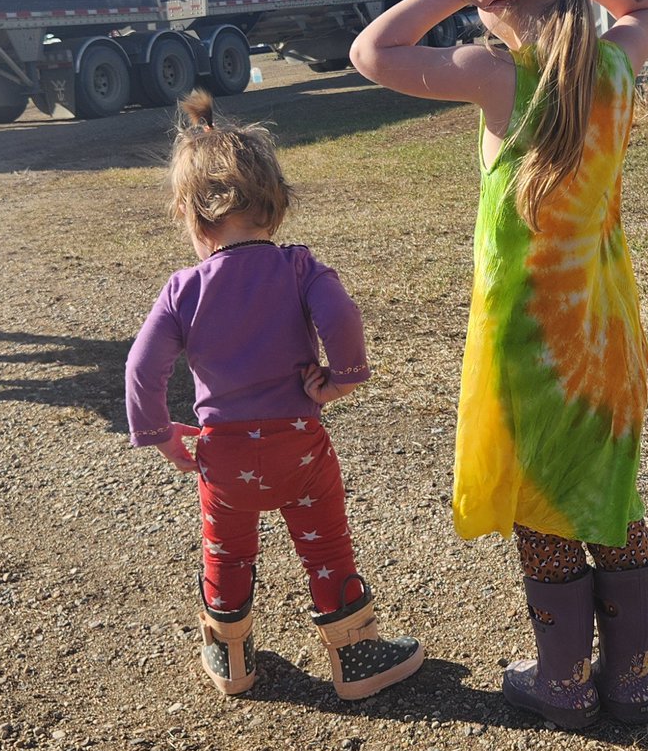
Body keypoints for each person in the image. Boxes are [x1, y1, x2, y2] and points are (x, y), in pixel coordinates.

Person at [349, 0, 648, 730]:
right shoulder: (614, 65)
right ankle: (630, 681)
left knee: (544, 506)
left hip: (529, 343)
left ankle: (562, 683)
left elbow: (371, 52)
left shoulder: (493, 75)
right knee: (610, 492)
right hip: (608, 331)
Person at [124, 88, 423, 701]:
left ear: (192, 214)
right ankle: (357, 656)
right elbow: (341, 316)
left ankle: (230, 658)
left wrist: (160, 435)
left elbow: (141, 368)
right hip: (300, 450)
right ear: (276, 206)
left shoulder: (183, 289)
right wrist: (343, 377)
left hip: (223, 456)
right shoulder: (298, 267)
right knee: (327, 544)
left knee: (226, 553)